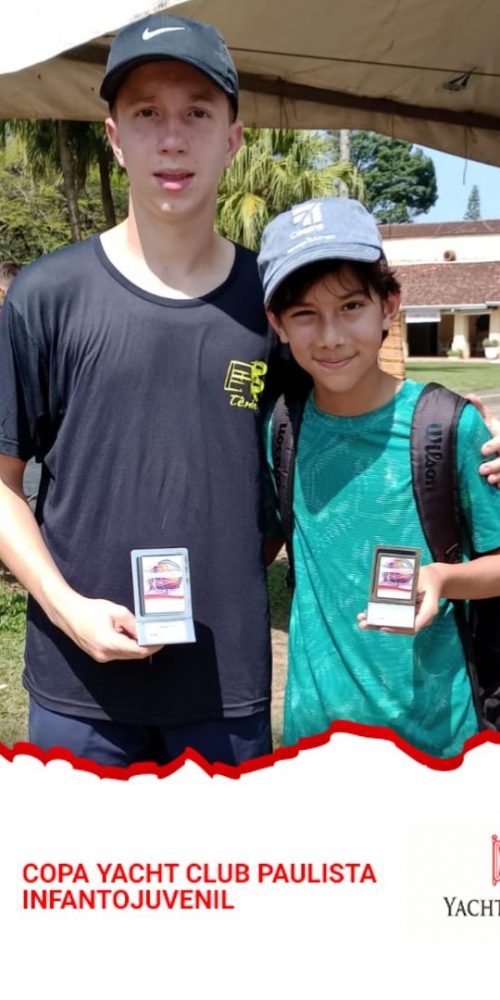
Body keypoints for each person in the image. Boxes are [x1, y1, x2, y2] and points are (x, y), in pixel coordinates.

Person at [0, 13, 277, 768]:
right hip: (79, 686)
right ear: (115, 138)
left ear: (233, 138)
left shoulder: (273, 303)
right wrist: (67, 608)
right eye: (147, 113)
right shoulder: (47, 295)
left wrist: (460, 442)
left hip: (224, 688)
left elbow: (353, 427)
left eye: (197, 113)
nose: (172, 138)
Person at [258, 197, 500, 758]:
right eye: (304, 314)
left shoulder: (447, 426)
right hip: (314, 739)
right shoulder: (282, 427)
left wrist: (442, 578)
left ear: (389, 305)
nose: (331, 336)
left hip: (437, 741)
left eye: (351, 306)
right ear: (277, 324)